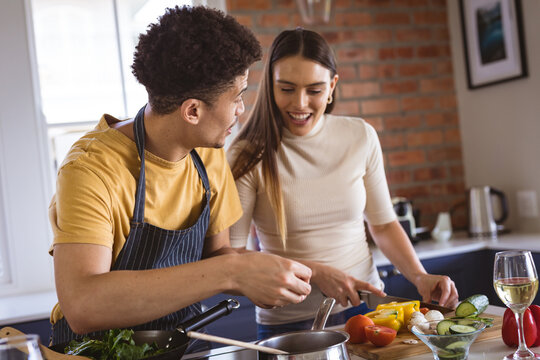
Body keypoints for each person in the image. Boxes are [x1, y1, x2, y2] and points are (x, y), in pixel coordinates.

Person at [48, 7, 312, 350]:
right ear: (192, 111)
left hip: (174, 348)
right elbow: (84, 305)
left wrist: (267, 273)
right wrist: (233, 273)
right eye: (237, 97)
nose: (241, 110)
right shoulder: (91, 170)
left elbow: (217, 256)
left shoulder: (207, 151)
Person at [227, 28, 459, 339]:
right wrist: (316, 273)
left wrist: (419, 276)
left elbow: (384, 224)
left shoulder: (360, 136)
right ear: (270, 85)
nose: (300, 103)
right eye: (287, 88)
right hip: (288, 324)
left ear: (332, 86)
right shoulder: (247, 153)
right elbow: (233, 255)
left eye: (314, 90)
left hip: (367, 311)